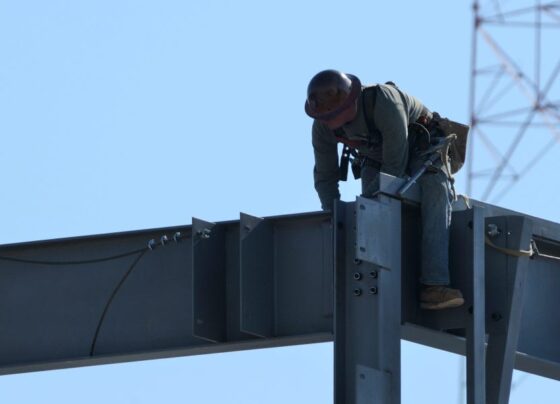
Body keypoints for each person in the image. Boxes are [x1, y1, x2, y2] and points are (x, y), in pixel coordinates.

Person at [304, 69, 464, 310]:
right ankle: (371, 277)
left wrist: (380, 199)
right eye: (324, 117)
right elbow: (325, 177)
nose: (328, 122)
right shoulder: (323, 127)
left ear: (349, 104)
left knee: (434, 193)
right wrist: (333, 214)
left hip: (422, 145)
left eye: (332, 115)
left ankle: (434, 284)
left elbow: (394, 168)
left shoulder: (383, 101)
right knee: (368, 206)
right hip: (376, 156)